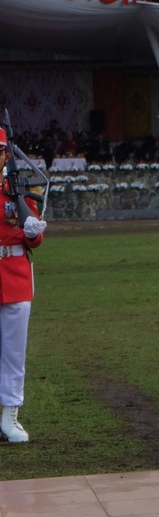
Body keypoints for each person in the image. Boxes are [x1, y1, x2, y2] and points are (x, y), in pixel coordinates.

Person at [0, 128, 47, 445]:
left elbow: (34, 239)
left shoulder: (15, 190)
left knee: (14, 354)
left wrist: (33, 231)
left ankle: (10, 416)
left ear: (6, 154)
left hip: (15, 276)